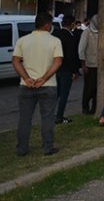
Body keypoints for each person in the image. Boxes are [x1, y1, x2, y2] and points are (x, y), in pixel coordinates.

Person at [13, 13, 63, 156]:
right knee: (47, 117)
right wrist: (44, 78)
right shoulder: (54, 41)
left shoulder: (23, 41)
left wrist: (26, 78)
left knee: (24, 118)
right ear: (47, 25)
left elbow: (16, 61)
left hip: (26, 85)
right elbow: (58, 62)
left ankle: (22, 148)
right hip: (48, 85)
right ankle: (47, 147)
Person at [53, 15, 80, 124]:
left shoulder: (55, 34)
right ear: (72, 24)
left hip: (55, 67)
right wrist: (74, 71)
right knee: (64, 93)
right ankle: (59, 116)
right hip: (66, 68)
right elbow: (72, 55)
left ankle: (50, 113)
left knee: (57, 92)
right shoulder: (71, 37)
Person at [78, 14, 99, 114]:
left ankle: (94, 108)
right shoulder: (87, 32)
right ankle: (85, 107)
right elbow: (81, 49)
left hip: (100, 65)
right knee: (89, 88)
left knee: (97, 89)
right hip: (90, 65)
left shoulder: (102, 32)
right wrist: (83, 64)